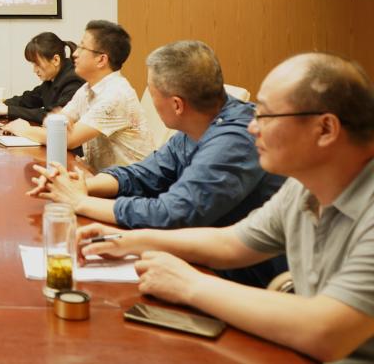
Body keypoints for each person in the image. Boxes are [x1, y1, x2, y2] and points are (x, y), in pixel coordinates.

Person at [78, 53, 374, 362]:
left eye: (267, 116)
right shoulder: (302, 188)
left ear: (325, 129)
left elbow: (326, 331)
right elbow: (230, 243)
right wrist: (127, 241)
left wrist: (189, 284)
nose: (253, 128)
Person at [31, 40, 286, 286]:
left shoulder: (235, 139)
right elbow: (146, 173)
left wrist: (82, 202)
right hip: (197, 258)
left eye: (152, 93)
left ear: (176, 105)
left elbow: (172, 213)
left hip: (241, 278)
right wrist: (84, 185)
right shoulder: (197, 125)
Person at [3, 20, 152, 170]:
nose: (75, 53)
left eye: (82, 47)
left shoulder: (115, 95)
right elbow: (54, 121)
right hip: (101, 174)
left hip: (131, 181)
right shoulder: (87, 89)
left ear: (101, 59)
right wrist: (57, 123)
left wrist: (23, 129)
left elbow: (67, 140)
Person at [0, 32, 83, 124]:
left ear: (55, 60)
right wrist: (3, 103)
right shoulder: (53, 78)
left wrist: (8, 110)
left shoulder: (73, 80)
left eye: (37, 64)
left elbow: (53, 116)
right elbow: (30, 99)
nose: (34, 70)